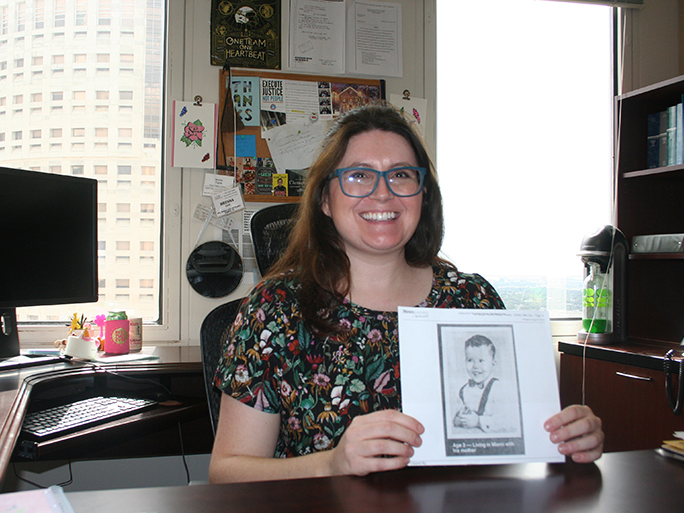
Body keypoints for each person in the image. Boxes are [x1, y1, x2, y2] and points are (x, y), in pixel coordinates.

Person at [209, 103, 604, 483]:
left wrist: (564, 439)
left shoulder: (472, 299)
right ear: (326, 200)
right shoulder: (275, 309)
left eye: (401, 175)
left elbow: (508, 443)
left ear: (423, 195)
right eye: (359, 175)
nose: (383, 193)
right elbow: (227, 473)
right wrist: (331, 464)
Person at [452, 334, 514, 433]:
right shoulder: (464, 390)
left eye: (481, 361)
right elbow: (457, 416)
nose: (476, 366)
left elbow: (507, 420)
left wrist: (478, 421)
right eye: (470, 360)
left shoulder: (498, 388)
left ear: (493, 363)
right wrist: (459, 419)